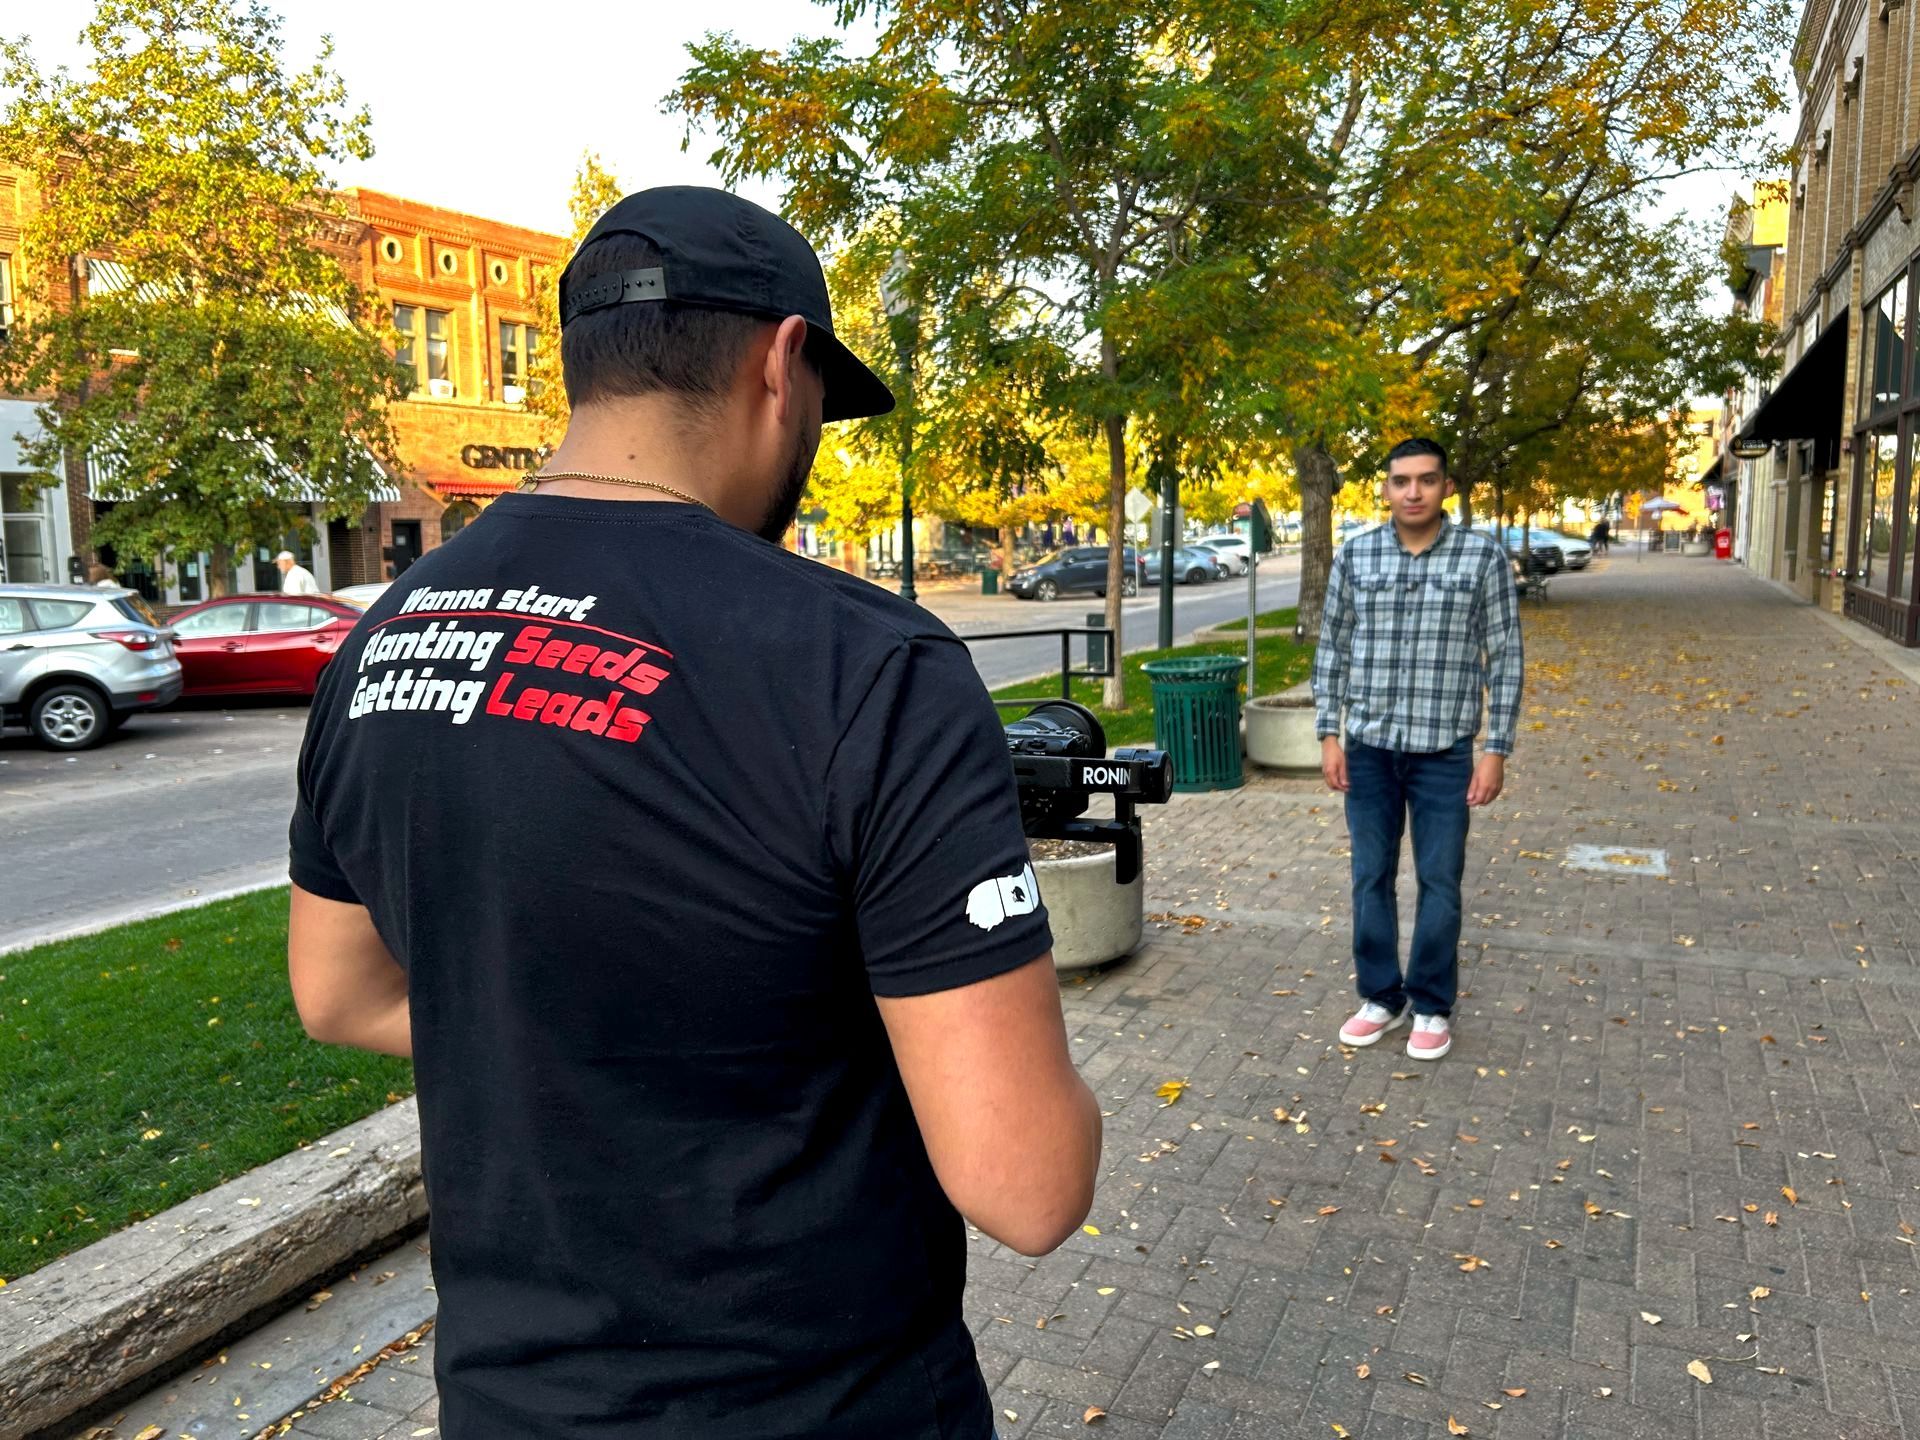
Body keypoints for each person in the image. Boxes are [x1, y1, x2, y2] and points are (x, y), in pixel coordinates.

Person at [284, 186, 1100, 1440]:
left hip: (513, 1407)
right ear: (784, 365)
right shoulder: (867, 661)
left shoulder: (386, 635)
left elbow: (340, 996)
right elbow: (1028, 1182)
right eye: (825, 394)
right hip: (822, 1407)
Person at [1311, 437, 1523, 1062]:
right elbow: (1333, 649)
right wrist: (1330, 733)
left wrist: (1497, 748)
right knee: (1369, 876)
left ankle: (1431, 1002)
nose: (1413, 492)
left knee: (1440, 880)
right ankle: (1380, 996)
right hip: (1370, 749)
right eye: (1401, 480)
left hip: (1444, 752)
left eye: (1426, 480)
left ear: (1446, 486)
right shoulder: (1357, 555)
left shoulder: (1482, 557)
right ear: (1385, 488)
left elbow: (1505, 656)